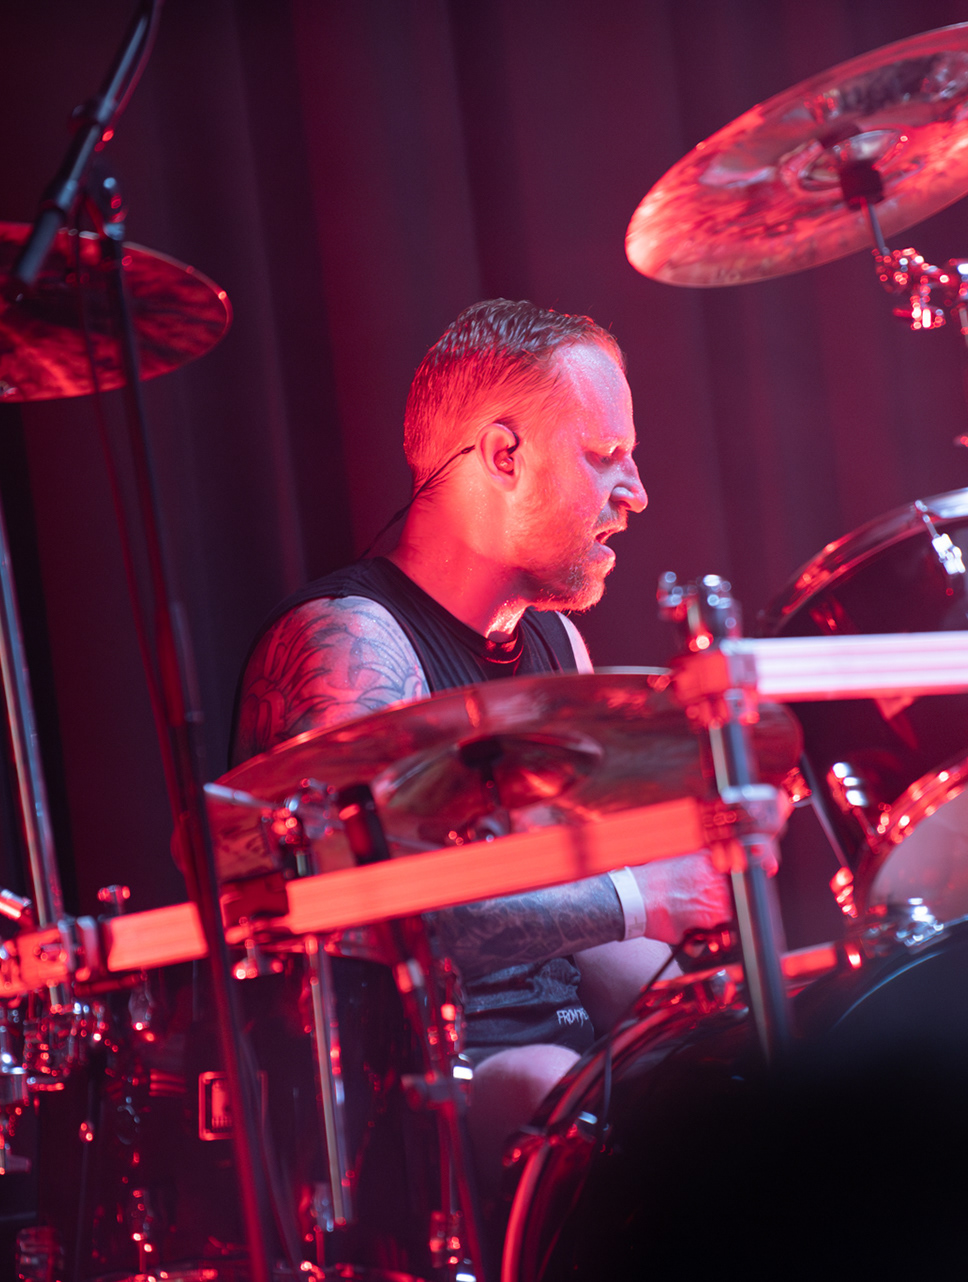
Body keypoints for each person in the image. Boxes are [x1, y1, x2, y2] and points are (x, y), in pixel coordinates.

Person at [228, 298, 747, 1192]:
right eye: (605, 455)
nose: (636, 492)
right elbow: (364, 922)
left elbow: (592, 925)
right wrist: (645, 895)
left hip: (569, 1050)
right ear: (503, 455)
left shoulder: (556, 643)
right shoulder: (350, 639)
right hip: (407, 1097)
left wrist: (711, 986)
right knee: (558, 1095)